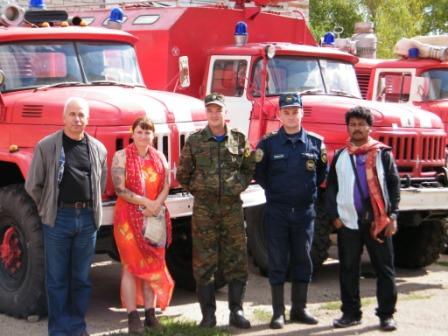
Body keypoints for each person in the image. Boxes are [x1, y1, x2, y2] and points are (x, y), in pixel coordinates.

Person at [25, 97, 107, 336]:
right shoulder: (47, 146)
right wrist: (47, 207)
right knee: (57, 279)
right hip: (58, 219)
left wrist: (90, 209)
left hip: (87, 220)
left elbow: (99, 184)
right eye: (72, 114)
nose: (77, 119)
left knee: (81, 278)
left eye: (81, 115)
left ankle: (77, 327)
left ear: (88, 119)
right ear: (63, 117)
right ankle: (60, 331)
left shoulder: (98, 149)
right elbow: (33, 185)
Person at [176, 92, 254, 329]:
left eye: (218, 110)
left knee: (237, 260)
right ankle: (208, 315)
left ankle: (236, 312)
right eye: (210, 110)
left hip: (231, 209)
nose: (214, 114)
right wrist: (202, 190)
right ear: (206, 113)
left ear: (224, 112)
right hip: (205, 211)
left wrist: (236, 186)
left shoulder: (239, 139)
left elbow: (248, 168)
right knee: (204, 262)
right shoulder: (195, 141)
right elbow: (183, 174)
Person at [254, 92, 327, 329]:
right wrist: (278, 193)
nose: (291, 116)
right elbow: (261, 174)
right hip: (277, 211)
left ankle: (300, 309)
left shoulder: (315, 143)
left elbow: (321, 175)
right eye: (287, 112)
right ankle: (278, 313)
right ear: (279, 115)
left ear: (302, 113)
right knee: (277, 260)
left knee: (302, 259)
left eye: (295, 111)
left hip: (305, 213)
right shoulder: (268, 143)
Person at [325, 106, 400, 331]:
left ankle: (386, 315)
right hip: (348, 222)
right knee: (348, 268)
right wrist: (335, 218)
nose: (356, 128)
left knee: (384, 269)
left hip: (379, 222)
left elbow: (394, 186)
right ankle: (350, 313)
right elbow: (331, 189)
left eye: (361, 124)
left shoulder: (382, 154)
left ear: (369, 127)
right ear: (348, 127)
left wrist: (393, 215)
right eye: (353, 124)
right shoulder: (340, 155)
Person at [111, 116, 174, 334]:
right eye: (140, 131)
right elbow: (120, 189)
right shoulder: (121, 157)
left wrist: (156, 205)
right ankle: (132, 317)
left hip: (154, 217)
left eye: (148, 132)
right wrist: (146, 202)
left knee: (152, 265)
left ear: (153, 135)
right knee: (130, 266)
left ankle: (150, 315)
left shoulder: (160, 157)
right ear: (132, 133)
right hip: (128, 219)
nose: (144, 136)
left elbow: (166, 184)